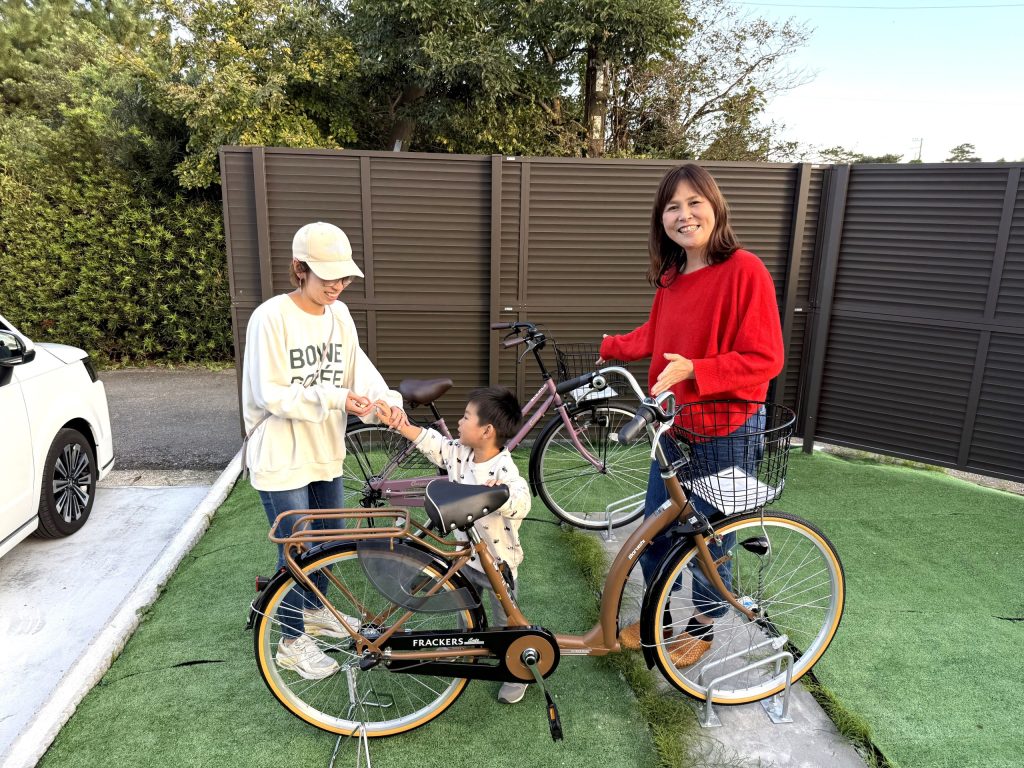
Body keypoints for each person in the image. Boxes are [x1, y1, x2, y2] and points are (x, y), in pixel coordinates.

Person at [599, 164, 784, 667]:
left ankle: (702, 625)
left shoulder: (745, 270)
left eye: (693, 202)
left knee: (711, 537)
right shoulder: (672, 277)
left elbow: (766, 357)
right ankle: (658, 617)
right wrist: (612, 346)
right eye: (672, 207)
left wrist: (696, 370)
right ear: (661, 219)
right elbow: (657, 336)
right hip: (674, 425)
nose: (684, 215)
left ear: (715, 206)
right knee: (654, 529)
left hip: (728, 428)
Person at [242, 221, 407, 681]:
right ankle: (290, 642)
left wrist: (385, 402)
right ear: (299, 268)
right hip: (280, 453)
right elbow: (271, 394)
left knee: (329, 542)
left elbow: (358, 370)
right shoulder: (271, 317)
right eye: (328, 276)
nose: (337, 285)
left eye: (344, 277)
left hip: (323, 449)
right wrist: (337, 399)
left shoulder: (340, 315)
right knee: (297, 550)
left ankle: (315, 613)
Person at [379, 386, 532, 704]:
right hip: (466, 556)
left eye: (466, 417)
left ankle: (517, 670)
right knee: (466, 609)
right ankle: (467, 645)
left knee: (506, 622)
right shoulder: (460, 453)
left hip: (498, 564)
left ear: (487, 431)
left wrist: (501, 494)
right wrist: (402, 424)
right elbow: (434, 444)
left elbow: (522, 498)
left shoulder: (503, 470)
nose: (459, 422)